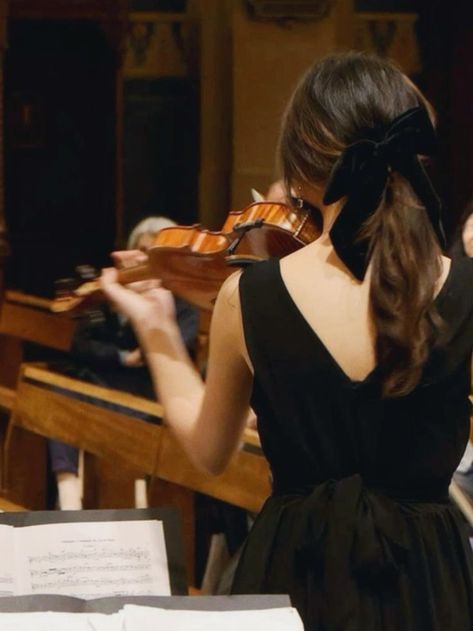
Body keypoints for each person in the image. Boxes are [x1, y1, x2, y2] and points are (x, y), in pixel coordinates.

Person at [100, 53, 473, 629]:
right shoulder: (464, 287)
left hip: (296, 574)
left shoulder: (247, 296)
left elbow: (209, 451)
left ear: (299, 171)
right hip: (431, 578)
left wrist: (156, 326)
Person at [49, 216, 199, 510]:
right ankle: (68, 494)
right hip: (101, 387)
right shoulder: (111, 300)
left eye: (154, 253)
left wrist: (140, 308)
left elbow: (162, 354)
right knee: (58, 396)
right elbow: (79, 345)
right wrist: (120, 351)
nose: (144, 259)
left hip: (146, 398)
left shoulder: (182, 306)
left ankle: (135, 505)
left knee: (115, 421)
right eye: (141, 250)